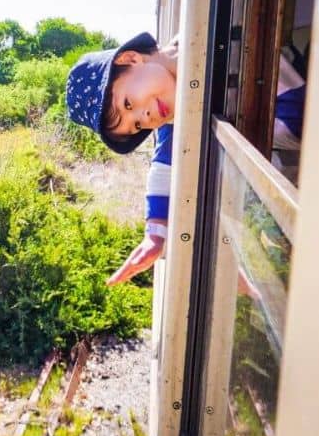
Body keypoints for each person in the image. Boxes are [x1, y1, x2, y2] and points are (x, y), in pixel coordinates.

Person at [65, 32, 304, 286]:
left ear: (132, 59)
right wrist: (154, 236)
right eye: (136, 125)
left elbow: (299, 117)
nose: (145, 117)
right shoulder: (174, 105)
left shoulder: (212, 36)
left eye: (127, 103)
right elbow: (163, 167)